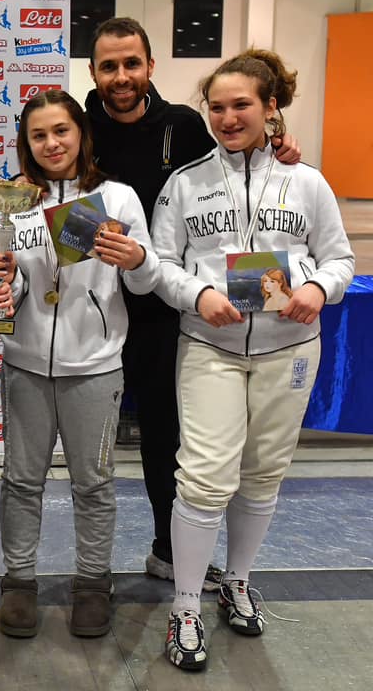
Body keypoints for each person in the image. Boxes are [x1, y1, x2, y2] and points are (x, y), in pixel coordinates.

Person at [151, 49, 354, 672]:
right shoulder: (184, 183)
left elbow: (340, 258)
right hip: (210, 348)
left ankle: (238, 581)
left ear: (271, 109)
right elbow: (159, 265)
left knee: (264, 474)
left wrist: (319, 289)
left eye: (242, 105)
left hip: (289, 350)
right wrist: (199, 293)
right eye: (217, 106)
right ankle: (186, 604)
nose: (228, 117)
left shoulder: (307, 181)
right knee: (206, 476)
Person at [84, 18, 300, 590]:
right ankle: (88, 570)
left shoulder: (183, 125)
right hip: (92, 309)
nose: (122, 76)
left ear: (151, 66)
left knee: (167, 436)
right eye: (110, 66)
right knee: (87, 445)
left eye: (132, 63)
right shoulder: (78, 130)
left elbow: (234, 186)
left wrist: (276, 146)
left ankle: (167, 551)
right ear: (94, 73)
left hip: (169, 313)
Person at [0, 90, 160, 639]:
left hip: (96, 367)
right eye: (39, 135)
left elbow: (143, 281)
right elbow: (8, 286)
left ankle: (92, 583)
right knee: (20, 481)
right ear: (27, 143)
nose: (52, 143)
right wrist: (0, 285)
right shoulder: (13, 202)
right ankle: (18, 582)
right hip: (26, 364)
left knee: (94, 483)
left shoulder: (119, 197)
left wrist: (136, 259)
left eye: (61, 130)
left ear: (81, 134)